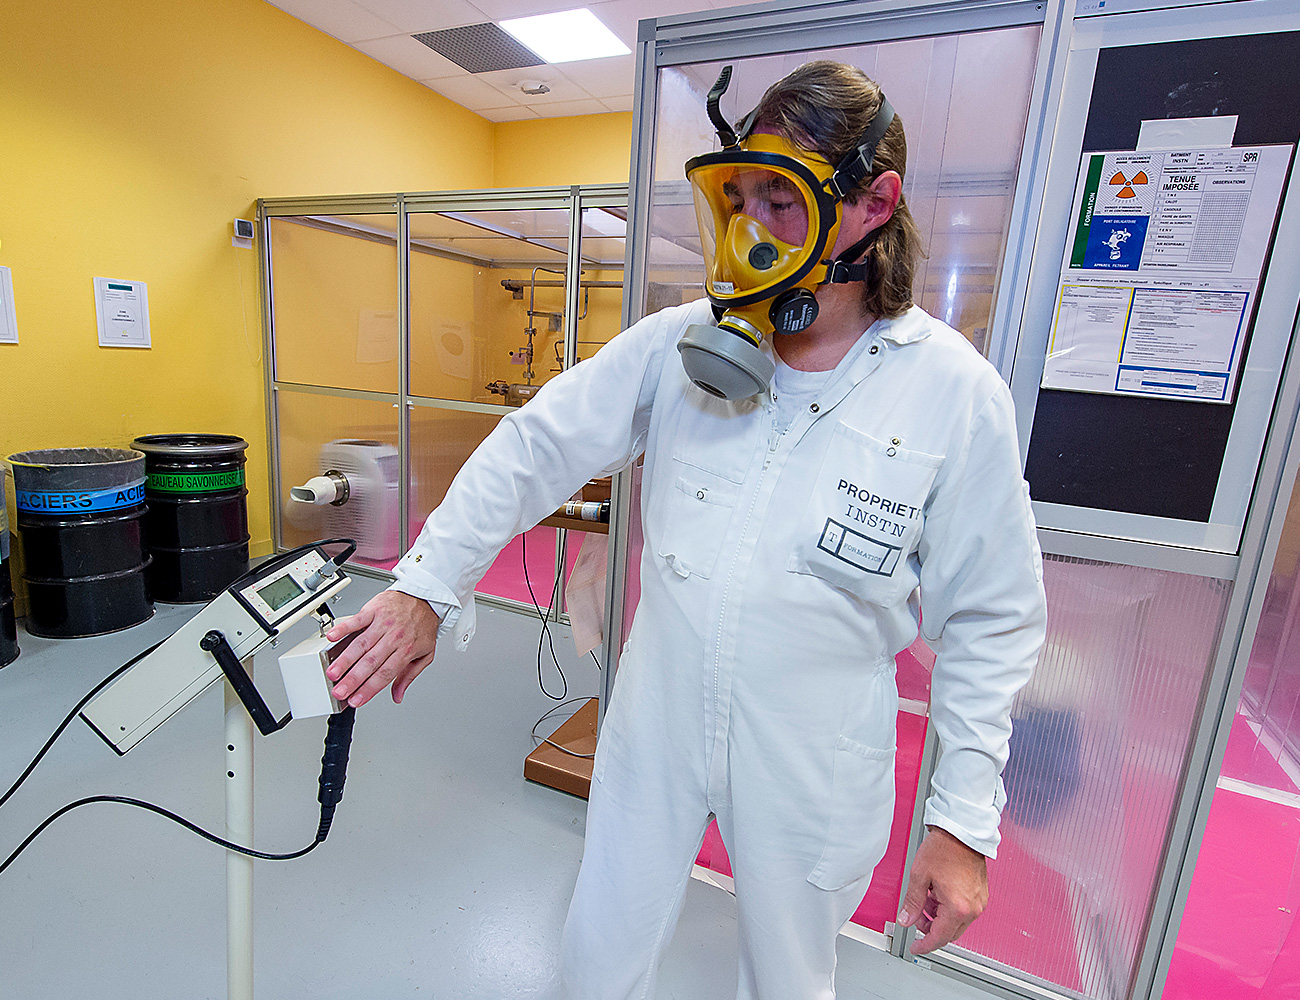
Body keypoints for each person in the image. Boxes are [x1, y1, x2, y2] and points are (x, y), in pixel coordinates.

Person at [324, 60, 1047, 1000]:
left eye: (780, 201)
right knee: (598, 956)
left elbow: (991, 618)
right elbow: (537, 445)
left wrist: (961, 823)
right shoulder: (678, 344)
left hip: (815, 746)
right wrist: (427, 583)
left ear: (874, 204)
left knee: (789, 979)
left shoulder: (952, 392)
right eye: (738, 201)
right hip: (657, 715)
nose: (750, 232)